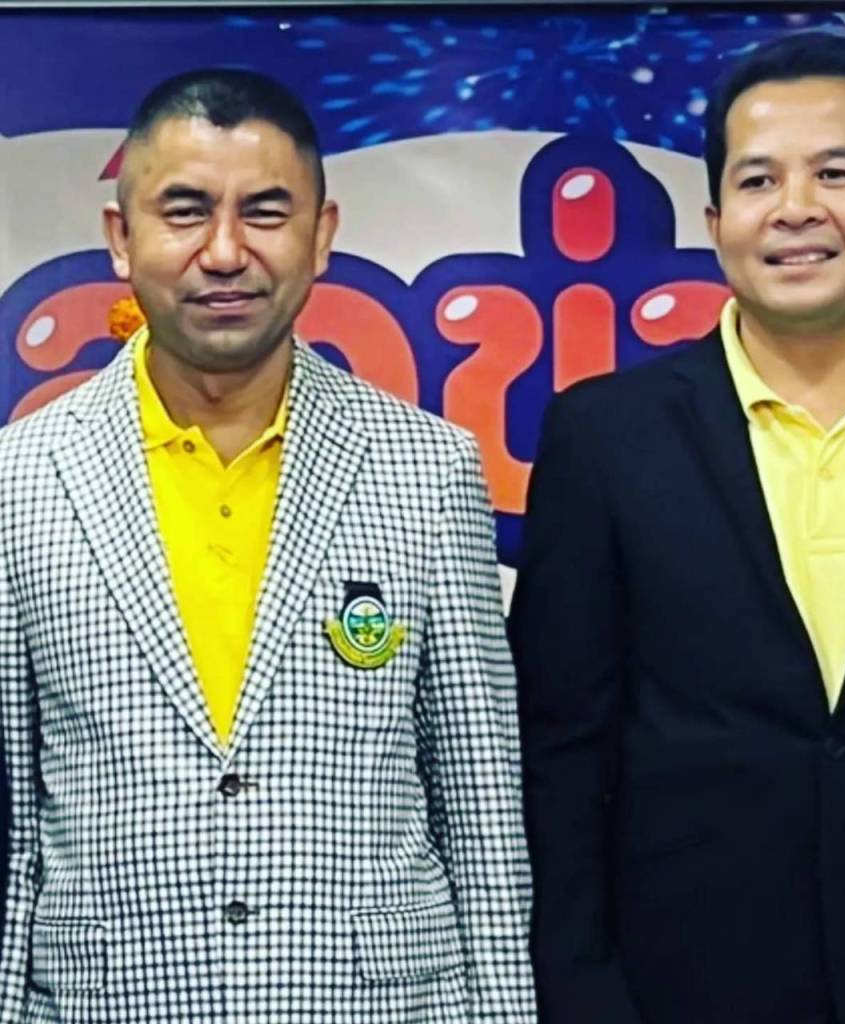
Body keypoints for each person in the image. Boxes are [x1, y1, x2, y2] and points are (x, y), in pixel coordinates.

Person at [0, 68, 535, 1023]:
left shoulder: (428, 468)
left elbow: (482, 806)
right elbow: (12, 827)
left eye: (265, 212)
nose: (224, 251)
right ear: (121, 237)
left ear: (321, 235)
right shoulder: (22, 477)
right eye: (185, 211)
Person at [510, 31, 845, 1024]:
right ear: (717, 223)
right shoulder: (606, 436)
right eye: (758, 181)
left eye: (835, 172)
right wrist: (578, 988)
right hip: (680, 978)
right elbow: (559, 749)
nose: (795, 209)